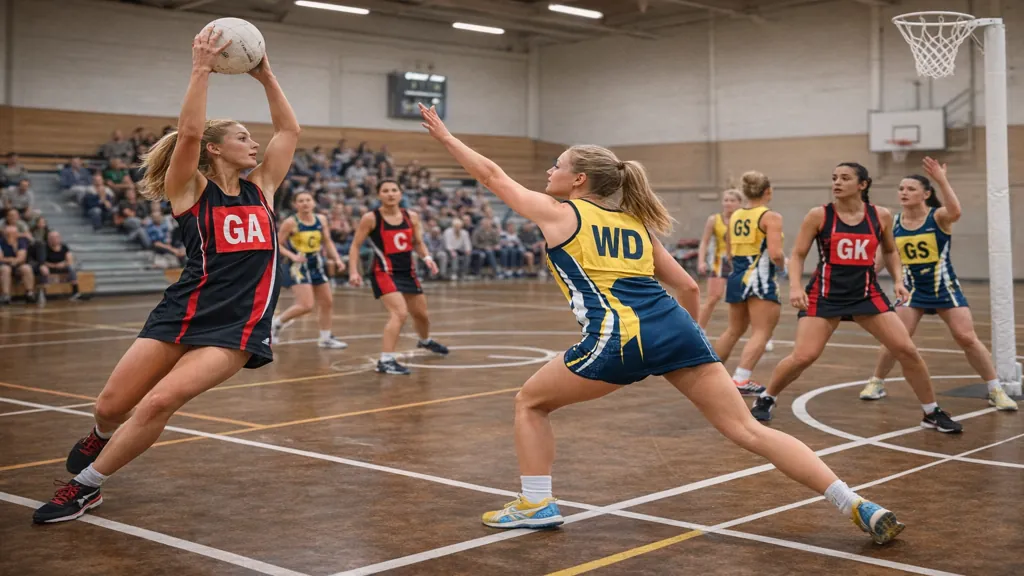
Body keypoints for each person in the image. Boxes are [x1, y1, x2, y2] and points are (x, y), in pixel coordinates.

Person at [419, 103, 904, 545]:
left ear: (580, 180)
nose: (550, 172)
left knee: (530, 402)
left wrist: (444, 137)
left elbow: (491, 174)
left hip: (621, 336)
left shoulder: (560, 213)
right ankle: (855, 502)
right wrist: (683, 343)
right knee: (748, 431)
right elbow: (689, 288)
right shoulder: (635, 225)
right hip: (677, 330)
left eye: (558, 165)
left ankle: (536, 502)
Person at [33, 28, 300, 523]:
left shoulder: (262, 188)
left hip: (236, 324)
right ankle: (101, 434)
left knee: (160, 401)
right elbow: (192, 133)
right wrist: (200, 69)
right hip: (183, 308)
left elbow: (289, 133)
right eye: (243, 136)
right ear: (216, 150)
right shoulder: (190, 190)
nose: (254, 142)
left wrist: (265, 76)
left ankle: (86, 487)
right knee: (111, 406)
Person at [750, 163, 963, 433]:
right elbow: (799, 254)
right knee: (804, 356)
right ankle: (767, 397)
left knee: (907, 351)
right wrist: (795, 286)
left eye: (845, 178)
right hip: (825, 295)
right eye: (834, 177)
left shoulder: (880, 216)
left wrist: (898, 280)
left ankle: (931, 412)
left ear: (862, 185)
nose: (837, 182)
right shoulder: (819, 215)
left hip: (866, 294)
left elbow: (890, 251)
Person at [860, 159, 1016, 411]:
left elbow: (956, 212)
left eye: (911, 189)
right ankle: (876, 382)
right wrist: (863, 279)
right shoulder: (894, 223)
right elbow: (880, 260)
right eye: (901, 188)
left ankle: (995, 389)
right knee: (895, 339)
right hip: (911, 290)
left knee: (966, 337)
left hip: (944, 288)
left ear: (926, 193)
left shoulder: (938, 216)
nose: (904, 192)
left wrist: (941, 179)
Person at [348, 180, 449, 375]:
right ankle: (385, 361)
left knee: (422, 315)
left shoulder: (412, 216)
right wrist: (354, 271)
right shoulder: (371, 218)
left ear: (401, 194)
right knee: (400, 313)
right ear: (379, 195)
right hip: (383, 272)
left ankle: (425, 341)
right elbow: (355, 246)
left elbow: (418, 243)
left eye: (394, 190)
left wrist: (427, 258)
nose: (390, 194)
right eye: (385, 191)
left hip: (407, 272)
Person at [710, 173, 785, 395]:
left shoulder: (735, 216)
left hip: (737, 274)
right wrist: (783, 267)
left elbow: (731, 252)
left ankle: (709, 375)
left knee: (734, 329)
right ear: (767, 192)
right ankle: (741, 379)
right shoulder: (770, 217)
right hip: (759, 276)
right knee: (762, 331)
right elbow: (775, 253)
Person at [271, 190, 348, 349]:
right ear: (295, 204)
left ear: (313, 203)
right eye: (301, 200)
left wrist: (337, 259)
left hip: (316, 263)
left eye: (308, 200)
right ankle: (276, 323)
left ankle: (325, 338)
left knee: (327, 302)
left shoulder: (321, 219)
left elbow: (327, 242)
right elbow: (276, 244)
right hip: (298, 266)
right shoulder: (291, 222)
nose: (305, 203)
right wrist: (292, 256)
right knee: (306, 305)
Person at [696, 189, 741, 329]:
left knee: (745, 301)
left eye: (732, 200)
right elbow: (704, 241)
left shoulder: (743, 220)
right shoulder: (714, 219)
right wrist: (701, 261)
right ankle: (699, 330)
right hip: (720, 263)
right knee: (713, 298)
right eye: (726, 200)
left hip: (740, 262)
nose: (728, 203)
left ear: (740, 203)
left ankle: (761, 334)